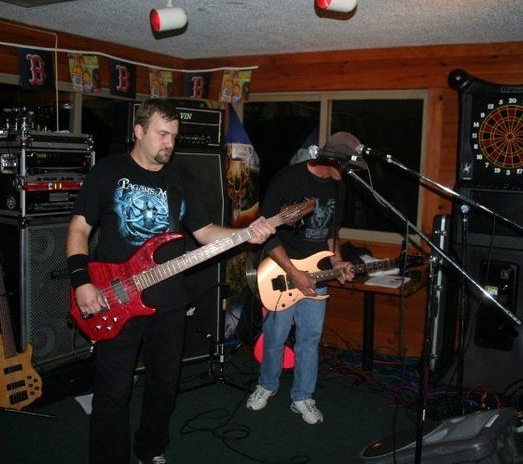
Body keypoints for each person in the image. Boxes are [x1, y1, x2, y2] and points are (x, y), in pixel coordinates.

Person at [66, 98, 275, 464]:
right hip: (116, 297)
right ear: (139, 131)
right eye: (162, 134)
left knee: (164, 386)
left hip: (170, 302)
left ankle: (151, 449)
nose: (170, 143)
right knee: (113, 392)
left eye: (174, 136)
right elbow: (79, 229)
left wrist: (247, 234)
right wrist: (82, 281)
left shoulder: (181, 179)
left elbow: (205, 232)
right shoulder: (107, 172)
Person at [246, 134, 356, 425]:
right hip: (282, 270)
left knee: (310, 338)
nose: (347, 173)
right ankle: (266, 385)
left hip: (317, 274)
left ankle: (303, 397)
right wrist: (295, 273)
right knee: (276, 335)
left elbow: (331, 234)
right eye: (346, 166)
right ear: (333, 160)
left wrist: (338, 262)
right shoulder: (289, 179)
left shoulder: (338, 186)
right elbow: (266, 234)